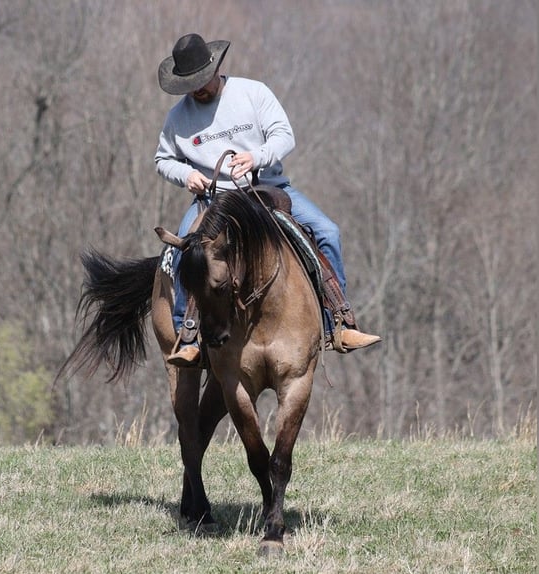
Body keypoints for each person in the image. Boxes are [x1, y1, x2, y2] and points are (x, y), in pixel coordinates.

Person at [155, 33, 380, 367]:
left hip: (266, 189)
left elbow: (284, 136)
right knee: (181, 252)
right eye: (190, 84)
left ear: (215, 69)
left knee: (328, 232)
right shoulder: (177, 117)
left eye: (201, 81)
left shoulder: (253, 93)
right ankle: (186, 335)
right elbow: (162, 160)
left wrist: (256, 156)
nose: (197, 89)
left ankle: (339, 321)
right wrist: (185, 175)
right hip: (213, 202)